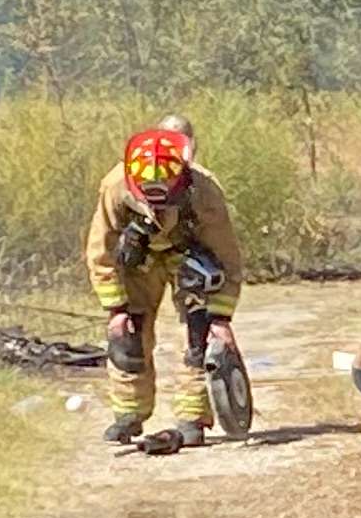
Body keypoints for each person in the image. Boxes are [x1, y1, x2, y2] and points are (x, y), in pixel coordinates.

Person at [86, 121, 244, 452]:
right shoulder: (115, 187)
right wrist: (116, 311)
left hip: (189, 259)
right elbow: (100, 251)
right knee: (130, 334)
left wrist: (220, 319)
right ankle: (129, 413)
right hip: (138, 262)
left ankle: (192, 417)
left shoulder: (204, 191)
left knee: (198, 338)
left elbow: (227, 256)